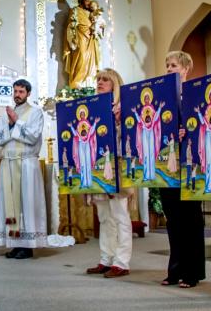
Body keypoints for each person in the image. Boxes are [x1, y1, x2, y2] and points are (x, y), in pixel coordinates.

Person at [159, 51, 205, 288]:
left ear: (186, 68)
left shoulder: (195, 93)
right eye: (167, 65)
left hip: (189, 165)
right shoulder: (163, 98)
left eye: (173, 65)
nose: (168, 69)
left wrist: (189, 131)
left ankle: (192, 272)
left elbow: (206, 123)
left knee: (191, 219)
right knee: (173, 219)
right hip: (168, 166)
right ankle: (174, 270)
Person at [0, 79, 47, 259]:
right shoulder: (6, 115)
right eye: (15, 91)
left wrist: (16, 123)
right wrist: (10, 124)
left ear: (28, 93)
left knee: (27, 204)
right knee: (11, 205)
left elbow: (32, 137)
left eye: (21, 91)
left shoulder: (36, 113)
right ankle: (15, 244)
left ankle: (28, 246)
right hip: (8, 164)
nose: (17, 95)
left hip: (26, 164)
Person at [86, 69, 133, 278]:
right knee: (104, 216)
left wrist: (119, 122)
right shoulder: (93, 110)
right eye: (98, 79)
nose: (100, 82)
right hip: (99, 167)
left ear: (115, 84)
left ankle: (122, 262)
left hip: (118, 166)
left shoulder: (123, 108)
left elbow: (131, 135)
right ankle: (106, 258)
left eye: (105, 79)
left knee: (120, 214)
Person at [63, 0, 99, 88]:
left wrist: (98, 26)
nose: (88, 2)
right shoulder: (75, 10)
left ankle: (89, 84)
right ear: (81, 0)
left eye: (89, 0)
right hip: (80, 39)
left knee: (91, 63)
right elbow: (70, 26)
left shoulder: (91, 13)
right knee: (81, 58)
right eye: (86, 0)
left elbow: (99, 25)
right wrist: (72, 39)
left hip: (90, 39)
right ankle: (77, 85)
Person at [132, 90, 164, 181]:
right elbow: (140, 121)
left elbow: (156, 117)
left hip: (151, 132)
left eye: (147, 98)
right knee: (146, 153)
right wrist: (135, 112)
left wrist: (160, 108)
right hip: (144, 132)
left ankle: (152, 175)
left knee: (151, 153)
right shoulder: (142, 110)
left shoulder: (152, 108)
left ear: (150, 99)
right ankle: (146, 176)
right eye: (145, 98)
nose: (146, 99)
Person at [68, 109, 99, 189]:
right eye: (80, 114)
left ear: (85, 115)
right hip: (81, 144)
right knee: (82, 163)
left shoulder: (87, 123)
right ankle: (83, 183)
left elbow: (91, 131)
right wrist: (71, 127)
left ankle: (89, 183)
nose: (82, 115)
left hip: (87, 144)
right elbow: (75, 134)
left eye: (83, 114)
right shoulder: (79, 125)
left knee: (87, 163)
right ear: (79, 115)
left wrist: (95, 122)